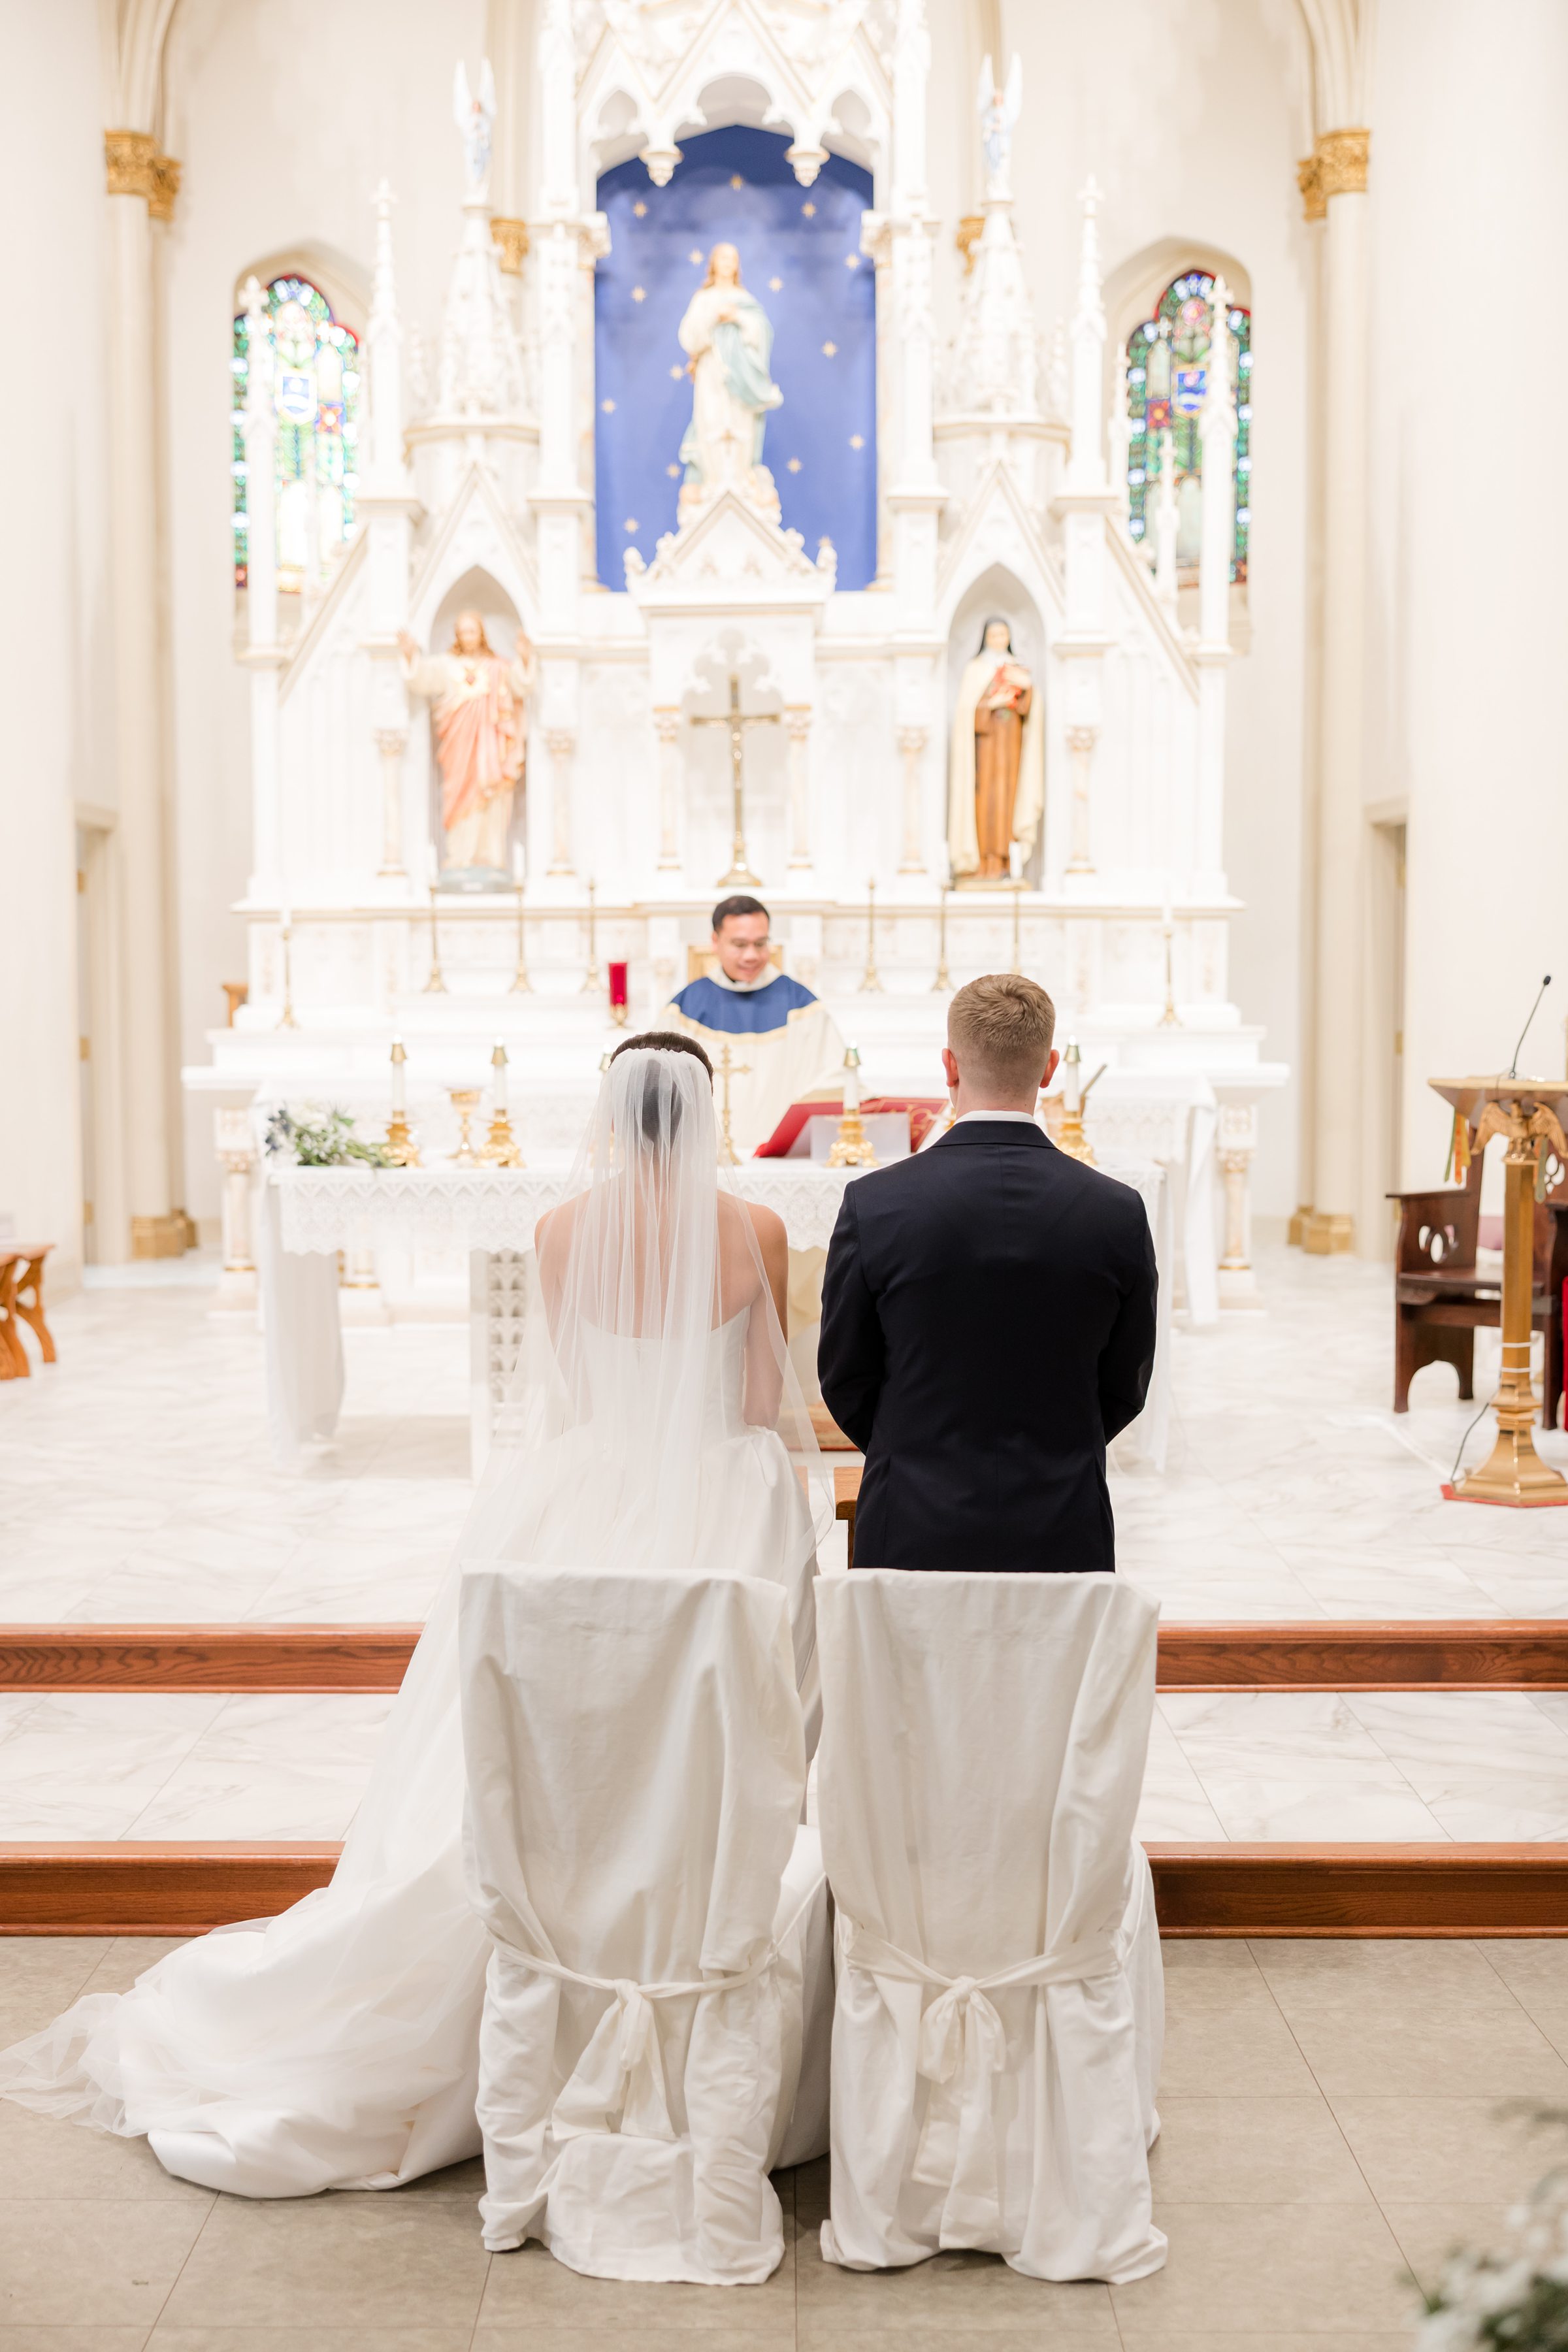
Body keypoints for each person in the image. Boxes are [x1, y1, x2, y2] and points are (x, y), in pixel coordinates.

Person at [0, 1040, 828, 2200]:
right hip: (717, 1498)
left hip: (584, 1497)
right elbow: (758, 1400)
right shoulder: (754, 1230)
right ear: (699, 1114)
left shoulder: (557, 1231)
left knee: (556, 1738)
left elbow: (581, 1394)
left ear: (610, 1115)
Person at [817, 973, 1156, 1573]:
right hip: (1062, 1517)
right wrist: (1057, 1449)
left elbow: (845, 1374)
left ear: (948, 1065)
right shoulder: (1116, 1210)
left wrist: (913, 1451)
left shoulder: (876, 1203)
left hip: (914, 1518)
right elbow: (1124, 1383)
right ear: (1050, 1067)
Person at [662, 896, 845, 1158]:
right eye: (739, 944)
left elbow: (833, 1077)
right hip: (701, 1158)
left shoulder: (802, 1006)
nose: (752, 955)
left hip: (783, 1158)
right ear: (715, 942)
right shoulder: (685, 1007)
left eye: (760, 944)